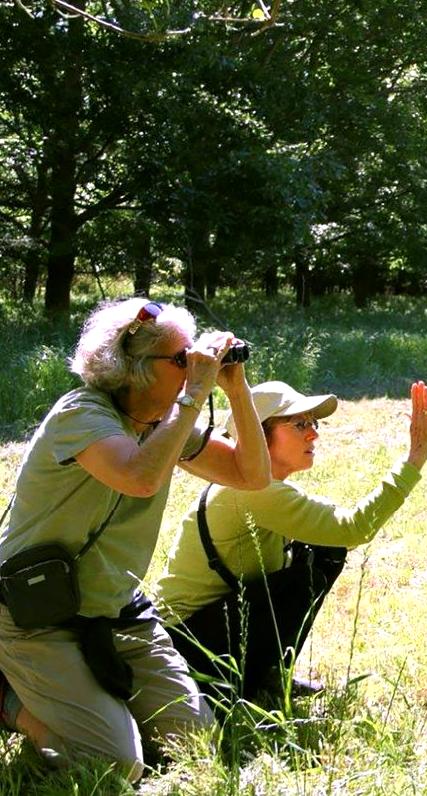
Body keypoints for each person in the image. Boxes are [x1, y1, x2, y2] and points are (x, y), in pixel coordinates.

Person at [0, 298, 270, 782]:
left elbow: (252, 474)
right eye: (182, 360)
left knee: (195, 748)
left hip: (114, 608)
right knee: (116, 767)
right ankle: (9, 704)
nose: (194, 369)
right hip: (32, 610)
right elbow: (138, 477)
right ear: (133, 368)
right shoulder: (80, 416)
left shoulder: (166, 426)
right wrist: (193, 396)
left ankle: (84, 702)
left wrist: (235, 390)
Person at [155, 379, 427, 703]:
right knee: (314, 564)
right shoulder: (256, 492)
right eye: (300, 424)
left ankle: (266, 675)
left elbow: (335, 531)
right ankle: (245, 686)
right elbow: (355, 527)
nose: (314, 433)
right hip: (179, 652)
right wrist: (414, 459)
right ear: (258, 435)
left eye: (313, 423)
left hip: (194, 635)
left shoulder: (259, 487)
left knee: (320, 550)